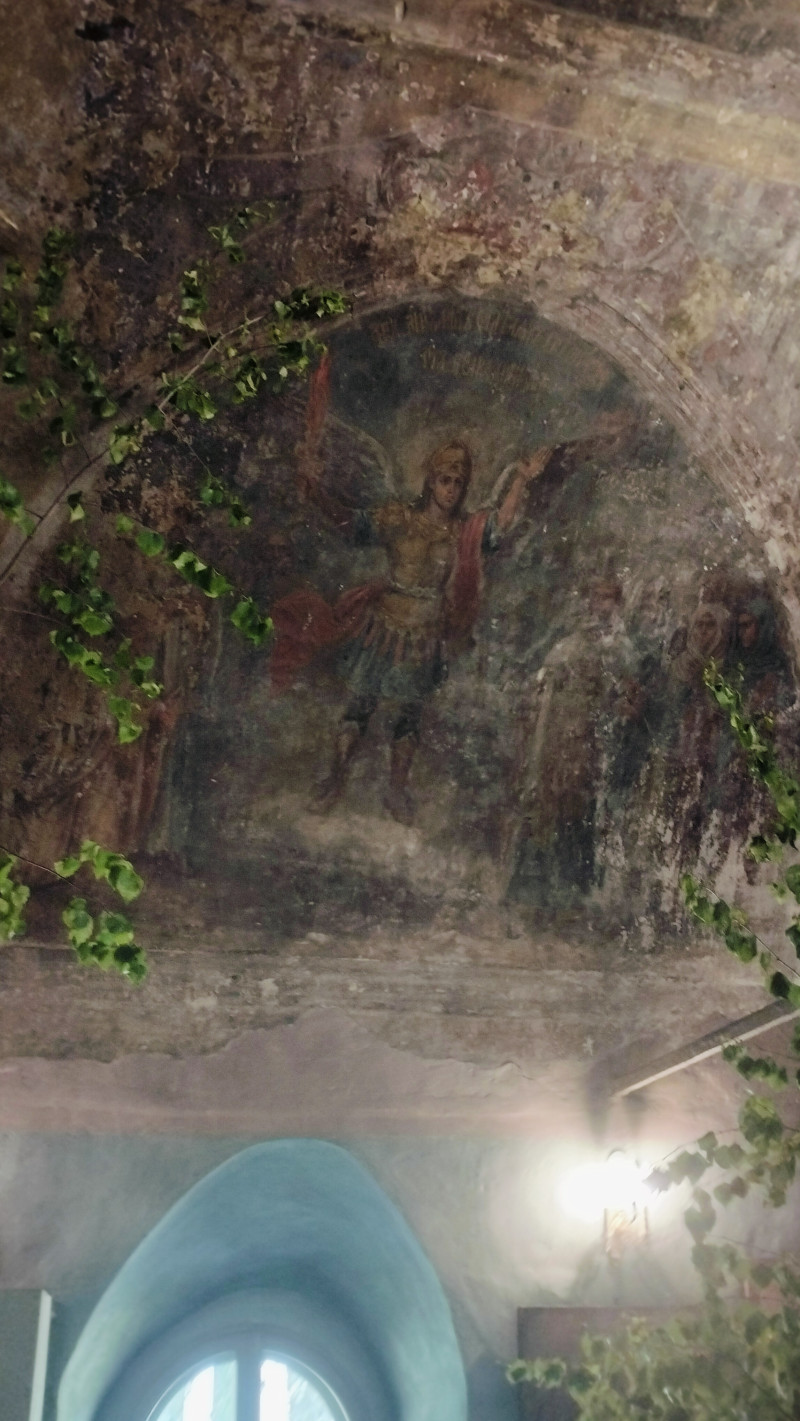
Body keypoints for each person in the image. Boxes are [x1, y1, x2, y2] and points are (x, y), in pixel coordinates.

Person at [274, 438, 554, 823]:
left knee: (410, 714)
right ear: (430, 481)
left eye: (458, 482)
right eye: (445, 480)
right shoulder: (399, 519)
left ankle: (396, 791)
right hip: (384, 627)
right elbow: (350, 523)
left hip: (425, 635)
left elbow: (498, 526)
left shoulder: (461, 532)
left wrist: (521, 479)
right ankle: (335, 780)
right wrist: (315, 491)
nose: (451, 490)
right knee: (360, 706)